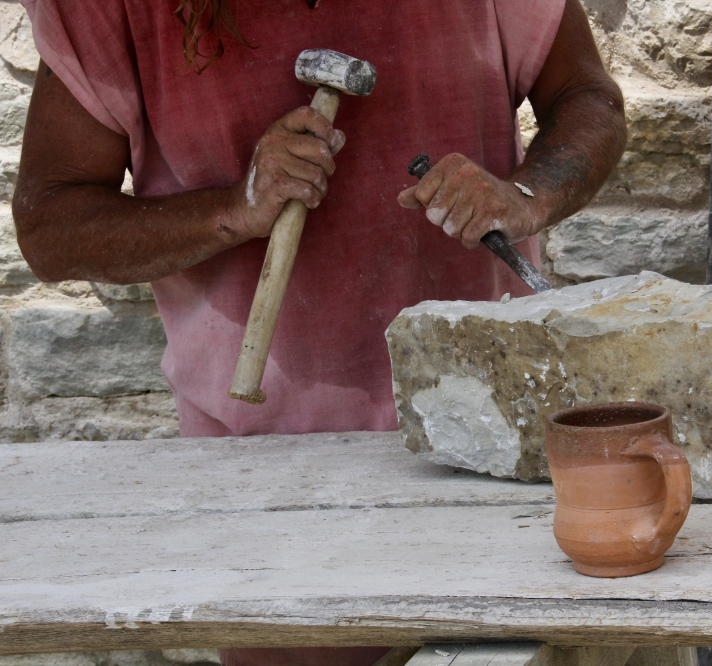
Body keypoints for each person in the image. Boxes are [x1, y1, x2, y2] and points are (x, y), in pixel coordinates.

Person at [13, 0, 625, 664]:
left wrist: (526, 196)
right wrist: (232, 210)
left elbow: (587, 97)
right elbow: (51, 223)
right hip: (270, 490)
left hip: (490, 448)